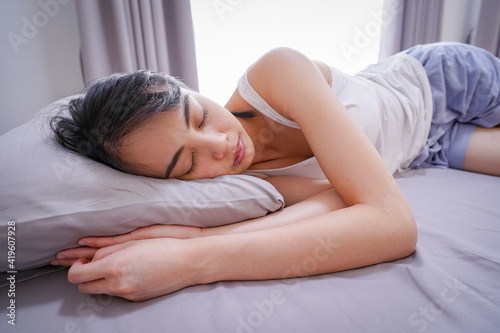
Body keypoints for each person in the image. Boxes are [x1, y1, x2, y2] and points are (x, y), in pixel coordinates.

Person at [50, 42, 500, 301]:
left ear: (187, 87)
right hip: (428, 149)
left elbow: (394, 225)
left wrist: (191, 258)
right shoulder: (238, 184)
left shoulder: (276, 71)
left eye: (200, 115)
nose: (221, 146)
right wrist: (187, 234)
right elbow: (337, 197)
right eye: (187, 164)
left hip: (440, 84)